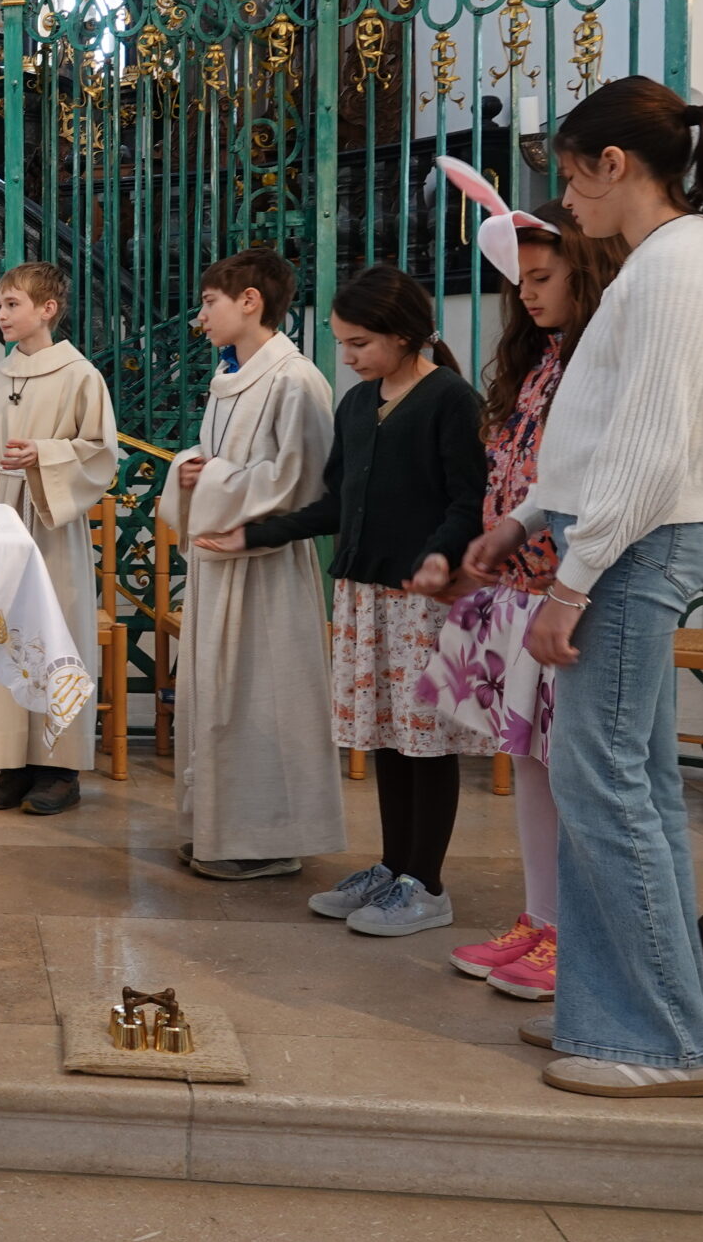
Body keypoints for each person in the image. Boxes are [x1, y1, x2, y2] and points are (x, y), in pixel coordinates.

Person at [461, 76, 703, 1099]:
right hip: (622, 536)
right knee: (630, 784)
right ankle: (606, 1008)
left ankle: (661, 1041)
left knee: (603, 783)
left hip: (636, 544)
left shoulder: (678, 266)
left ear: (615, 165)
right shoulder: (669, 260)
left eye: (574, 180)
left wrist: (569, 584)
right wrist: (529, 517)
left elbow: (651, 452)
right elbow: (606, 430)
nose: (568, 204)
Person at [201, 266, 489, 933]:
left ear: (403, 334)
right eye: (342, 343)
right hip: (365, 593)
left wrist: (440, 554)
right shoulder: (359, 404)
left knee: (426, 743)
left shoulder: (450, 398)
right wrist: (253, 533)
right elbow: (336, 504)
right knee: (387, 735)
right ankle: (392, 868)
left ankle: (426, 885)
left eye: (360, 343)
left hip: (425, 600)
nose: (349, 357)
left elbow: (468, 498)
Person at [414, 205, 629, 1002]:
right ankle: (541, 918)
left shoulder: (601, 361)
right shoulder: (542, 359)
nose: (528, 295)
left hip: (573, 590)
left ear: (587, 272)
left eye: (543, 278)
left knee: (574, 772)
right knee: (531, 763)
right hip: (519, 585)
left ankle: (578, 936)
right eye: (520, 283)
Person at [159, 249, 342, 880]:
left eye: (209, 302)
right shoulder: (229, 377)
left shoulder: (295, 381)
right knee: (218, 699)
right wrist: (191, 468)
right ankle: (220, 831)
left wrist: (214, 479)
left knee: (263, 701)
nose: (200, 316)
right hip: (221, 561)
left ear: (250, 302)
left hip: (266, 566)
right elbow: (220, 460)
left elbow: (304, 481)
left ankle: (268, 839)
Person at [0, 261, 118, 815]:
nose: (1, 314)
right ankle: (11, 763)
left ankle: (58, 769)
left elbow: (100, 454)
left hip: (51, 523)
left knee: (54, 633)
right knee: (3, 634)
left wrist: (43, 456)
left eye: (13, 305)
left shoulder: (80, 377)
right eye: (0, 305)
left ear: (48, 310)